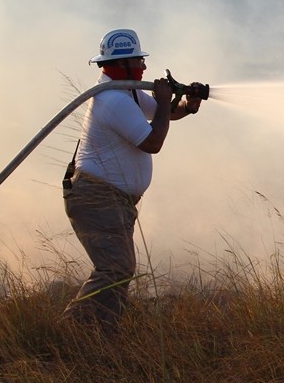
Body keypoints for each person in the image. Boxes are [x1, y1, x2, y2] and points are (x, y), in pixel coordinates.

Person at [60, 28, 203, 332]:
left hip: (112, 200)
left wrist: (186, 105)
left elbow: (166, 115)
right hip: (97, 198)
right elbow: (153, 142)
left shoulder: (128, 92)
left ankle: (99, 335)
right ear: (123, 64)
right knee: (116, 269)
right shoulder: (113, 100)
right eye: (139, 60)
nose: (144, 67)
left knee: (119, 269)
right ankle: (70, 332)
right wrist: (164, 102)